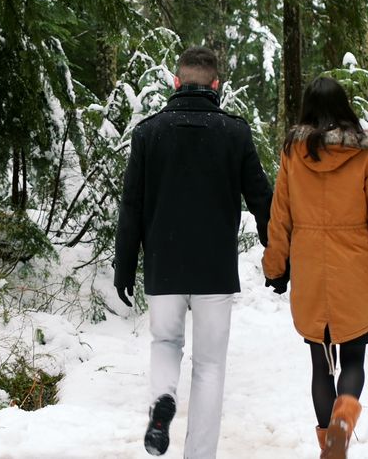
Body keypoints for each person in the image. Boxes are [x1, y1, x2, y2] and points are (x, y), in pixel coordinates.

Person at [114, 46, 272, 458]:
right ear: (217, 86)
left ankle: (163, 398)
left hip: (164, 264)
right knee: (209, 367)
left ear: (176, 82)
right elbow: (261, 199)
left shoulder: (149, 132)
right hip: (214, 270)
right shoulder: (235, 132)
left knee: (165, 343)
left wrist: (124, 266)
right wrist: (278, 256)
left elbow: (132, 204)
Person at [261, 75, 368, 459]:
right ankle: (342, 425)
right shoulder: (367, 155)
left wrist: (275, 269)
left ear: (307, 109)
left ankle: (329, 444)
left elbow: (280, 216)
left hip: (311, 268)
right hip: (354, 269)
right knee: (354, 358)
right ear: (345, 107)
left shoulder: (293, 154)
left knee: (319, 364)